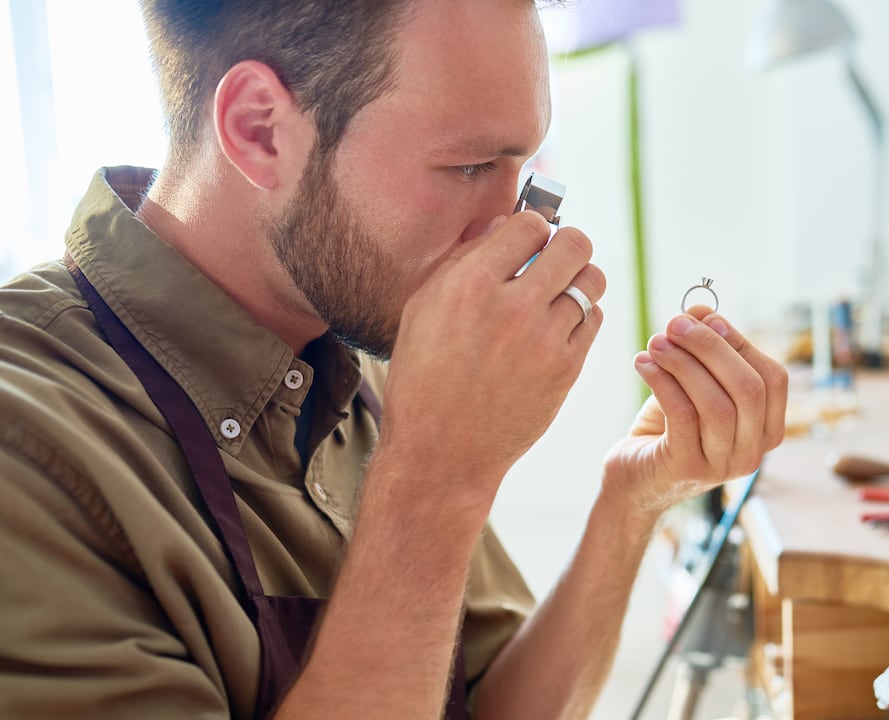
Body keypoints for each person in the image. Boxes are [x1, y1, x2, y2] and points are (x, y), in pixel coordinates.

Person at [0, 0, 788, 718]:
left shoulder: (357, 336)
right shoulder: (27, 449)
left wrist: (632, 502)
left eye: (523, 173)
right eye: (468, 168)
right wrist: (435, 478)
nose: (512, 231)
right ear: (259, 129)